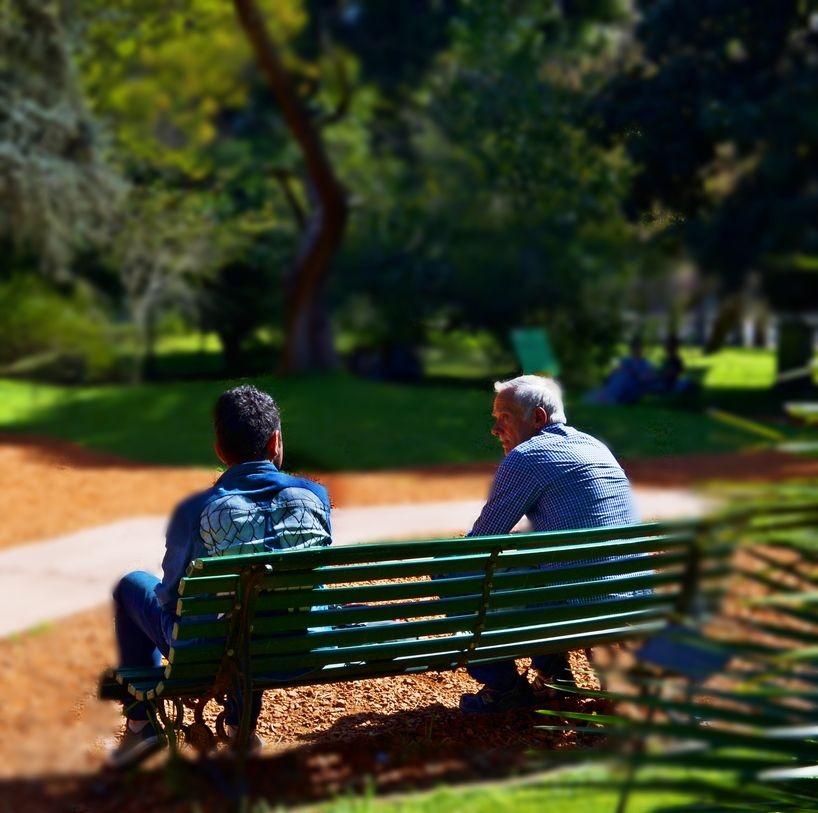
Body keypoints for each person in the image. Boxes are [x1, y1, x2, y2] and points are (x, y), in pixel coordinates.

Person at [107, 385, 332, 767]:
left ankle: (140, 726)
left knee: (131, 586)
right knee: (261, 601)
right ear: (275, 441)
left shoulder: (197, 509)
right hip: (296, 649)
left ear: (219, 450)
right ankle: (238, 725)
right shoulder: (315, 496)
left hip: (211, 653)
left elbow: (173, 597)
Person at [459, 375, 639, 713]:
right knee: (538, 570)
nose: (495, 430)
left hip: (579, 605)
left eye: (505, 418)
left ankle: (504, 688)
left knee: (453, 575)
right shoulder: (594, 446)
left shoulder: (527, 457)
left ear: (538, 418)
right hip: (632, 596)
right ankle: (553, 678)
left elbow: (479, 545)